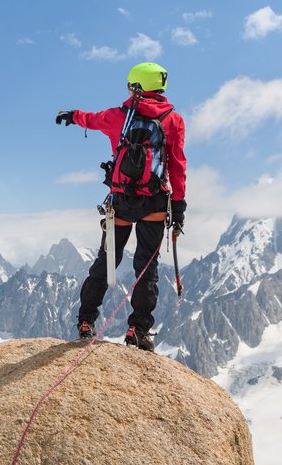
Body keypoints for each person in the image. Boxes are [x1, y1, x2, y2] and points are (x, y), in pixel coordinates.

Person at [54, 61, 186, 351]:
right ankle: (137, 330)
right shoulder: (173, 121)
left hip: (121, 199)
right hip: (154, 201)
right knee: (146, 268)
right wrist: (178, 207)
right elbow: (177, 165)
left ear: (137, 86)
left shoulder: (119, 116)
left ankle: (86, 321)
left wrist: (72, 115)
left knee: (106, 261)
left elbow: (91, 119)